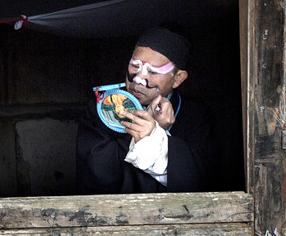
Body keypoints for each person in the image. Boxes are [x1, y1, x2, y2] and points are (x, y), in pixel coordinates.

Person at [76, 26, 215, 194]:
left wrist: (157, 135)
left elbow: (200, 181)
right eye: (135, 66)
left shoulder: (197, 117)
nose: (139, 79)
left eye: (153, 71)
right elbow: (97, 176)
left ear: (177, 79)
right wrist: (151, 131)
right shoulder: (101, 109)